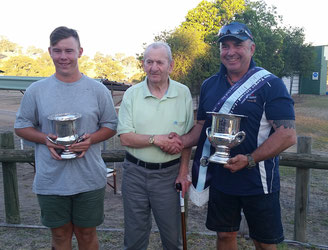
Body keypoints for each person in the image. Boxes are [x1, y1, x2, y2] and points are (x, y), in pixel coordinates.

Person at [178, 22, 297, 250]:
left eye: (238, 45)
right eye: (225, 46)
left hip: (259, 181)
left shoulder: (271, 84)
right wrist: (178, 141)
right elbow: (202, 126)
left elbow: (287, 135)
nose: (230, 52)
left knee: (264, 243)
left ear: (251, 48)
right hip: (222, 177)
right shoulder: (209, 85)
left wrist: (249, 159)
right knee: (224, 236)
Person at [14, 26, 118, 249]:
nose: (63, 57)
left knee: (87, 233)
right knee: (60, 236)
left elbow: (110, 125)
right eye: (58, 51)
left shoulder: (97, 90)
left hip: (89, 177)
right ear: (50, 52)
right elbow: (21, 127)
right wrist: (45, 139)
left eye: (69, 51)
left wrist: (92, 139)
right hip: (51, 179)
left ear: (80, 52)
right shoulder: (36, 90)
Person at [117, 42, 194, 250]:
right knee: (134, 239)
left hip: (169, 175)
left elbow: (187, 139)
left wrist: (183, 172)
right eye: (149, 62)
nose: (154, 67)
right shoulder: (132, 94)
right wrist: (156, 139)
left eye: (160, 62)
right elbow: (125, 137)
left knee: (172, 239)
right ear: (143, 64)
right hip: (135, 175)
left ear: (171, 65)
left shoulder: (183, 93)